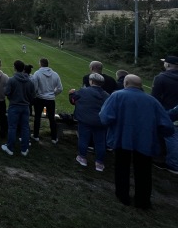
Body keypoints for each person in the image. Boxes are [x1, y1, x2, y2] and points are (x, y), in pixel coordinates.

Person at [99, 74, 174, 209]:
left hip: (122, 139)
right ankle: (143, 201)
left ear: (125, 83)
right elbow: (167, 125)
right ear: (140, 86)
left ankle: (123, 196)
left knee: (122, 167)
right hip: (145, 141)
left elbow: (105, 117)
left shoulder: (117, 96)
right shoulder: (152, 101)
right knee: (144, 171)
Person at [69, 73, 109, 171]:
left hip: (85, 120)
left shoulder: (83, 91)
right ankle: (99, 163)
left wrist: (71, 93)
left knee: (83, 139)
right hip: (100, 122)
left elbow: (73, 100)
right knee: (100, 142)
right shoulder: (106, 95)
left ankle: (82, 157)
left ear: (91, 81)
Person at [1, 60, 35, 157]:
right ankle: (24, 149)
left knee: (12, 127)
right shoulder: (30, 81)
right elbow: (32, 96)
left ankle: (10, 148)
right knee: (25, 128)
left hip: (15, 106)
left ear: (15, 68)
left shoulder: (12, 80)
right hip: (25, 107)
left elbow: (6, 92)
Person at [151, 55, 178, 174]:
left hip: (167, 112)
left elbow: (154, 98)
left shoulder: (161, 78)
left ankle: (173, 164)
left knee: (171, 137)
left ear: (167, 65)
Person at [31, 58, 63, 144]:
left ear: (40, 64)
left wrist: (38, 94)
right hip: (50, 100)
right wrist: (52, 94)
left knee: (37, 117)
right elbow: (60, 88)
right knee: (52, 118)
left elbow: (35, 88)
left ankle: (36, 135)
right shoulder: (55, 74)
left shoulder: (37, 73)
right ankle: (53, 137)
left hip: (40, 98)